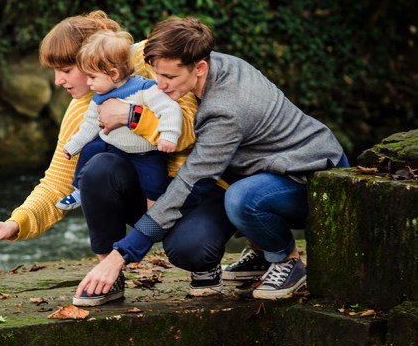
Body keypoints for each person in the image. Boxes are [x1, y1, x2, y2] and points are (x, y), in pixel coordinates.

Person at [73, 15, 349, 307]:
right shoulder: (209, 62)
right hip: (266, 168)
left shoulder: (225, 111)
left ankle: (286, 260)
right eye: (157, 74)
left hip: (311, 176)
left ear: (200, 68)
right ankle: (259, 255)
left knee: (242, 198)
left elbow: (192, 182)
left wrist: (121, 255)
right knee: (203, 224)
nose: (160, 85)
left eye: (170, 78)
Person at [0, 10, 199, 253]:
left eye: (66, 70)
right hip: (145, 200)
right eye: (54, 71)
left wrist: (130, 115)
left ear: (91, 58)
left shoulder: (150, 61)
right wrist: (14, 224)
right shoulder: (80, 110)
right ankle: (109, 266)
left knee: (192, 249)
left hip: (195, 188)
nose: (58, 81)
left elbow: (191, 130)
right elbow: (57, 184)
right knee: (97, 168)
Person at [57, 29, 184, 211]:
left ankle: (154, 216)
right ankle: (79, 190)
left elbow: (170, 109)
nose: (89, 83)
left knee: (155, 185)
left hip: (146, 153)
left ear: (114, 74)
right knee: (90, 149)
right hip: (114, 146)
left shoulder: (145, 88)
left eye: (92, 77)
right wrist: (73, 146)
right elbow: (90, 124)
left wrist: (168, 136)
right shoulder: (98, 96)